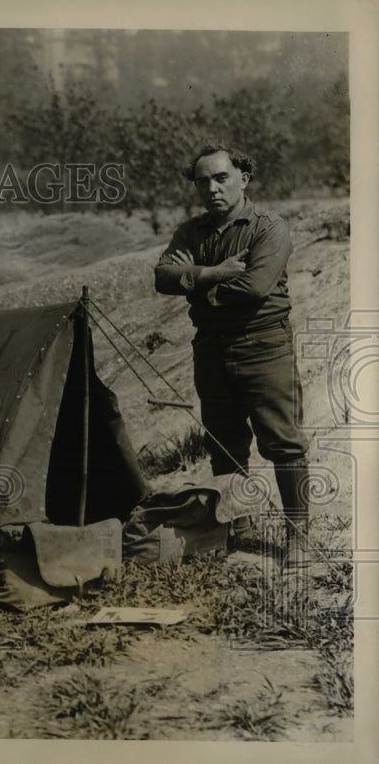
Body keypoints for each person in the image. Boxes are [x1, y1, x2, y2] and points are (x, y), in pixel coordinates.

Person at [153, 143, 309, 564]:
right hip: (211, 349)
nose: (212, 189)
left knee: (283, 442)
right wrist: (215, 272)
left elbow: (255, 287)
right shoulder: (190, 232)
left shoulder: (268, 228)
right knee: (224, 442)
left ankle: (299, 537)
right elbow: (163, 276)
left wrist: (197, 287)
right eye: (202, 181)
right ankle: (240, 526)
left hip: (264, 345)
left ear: (244, 178)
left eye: (221, 178)